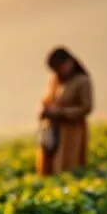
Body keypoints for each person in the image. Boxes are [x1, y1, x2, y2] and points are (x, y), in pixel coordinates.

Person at [37, 47, 92, 176]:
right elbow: (47, 98)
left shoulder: (82, 81)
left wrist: (61, 112)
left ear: (70, 62)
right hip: (53, 130)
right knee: (49, 167)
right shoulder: (55, 80)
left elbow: (86, 107)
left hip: (72, 131)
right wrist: (44, 109)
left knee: (68, 166)